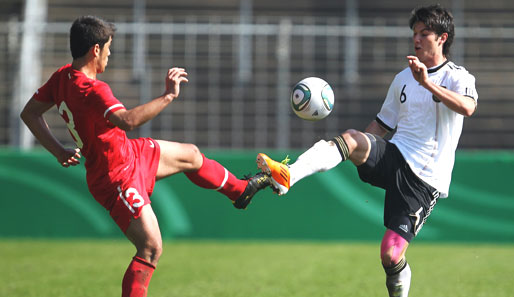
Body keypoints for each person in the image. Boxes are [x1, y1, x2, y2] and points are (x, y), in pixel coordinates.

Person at [20, 15, 271, 297]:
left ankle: (241, 191)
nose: (110, 55)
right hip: (115, 177)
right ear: (95, 50)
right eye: (108, 48)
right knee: (151, 248)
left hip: (129, 153)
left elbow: (29, 113)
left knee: (191, 155)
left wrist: (58, 152)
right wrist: (167, 96)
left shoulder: (61, 77)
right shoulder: (93, 89)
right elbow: (126, 120)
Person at [256, 5, 477, 297]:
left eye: (425, 33)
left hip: (425, 179)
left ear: (442, 38)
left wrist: (427, 83)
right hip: (395, 155)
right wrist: (351, 147)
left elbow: (468, 107)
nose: (417, 39)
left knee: (390, 254)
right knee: (351, 138)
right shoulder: (403, 78)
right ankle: (288, 176)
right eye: (415, 33)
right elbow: (382, 125)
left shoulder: (458, 77)